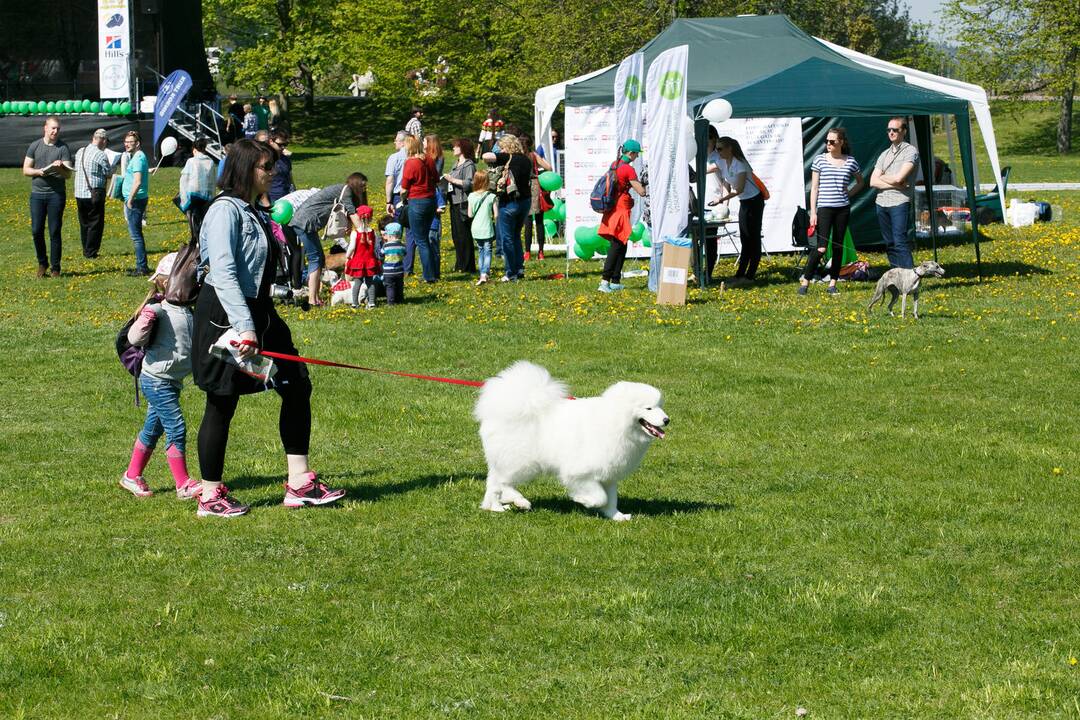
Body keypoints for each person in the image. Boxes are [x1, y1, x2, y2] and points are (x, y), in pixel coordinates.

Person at [192, 138, 345, 517]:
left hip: (260, 313)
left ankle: (300, 483)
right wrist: (245, 327)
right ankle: (210, 495)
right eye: (265, 167)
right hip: (226, 315)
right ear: (245, 169)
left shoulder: (254, 210)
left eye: (273, 165)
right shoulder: (224, 211)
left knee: (295, 382)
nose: (272, 172)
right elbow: (224, 272)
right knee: (221, 400)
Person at [120, 252, 200, 500]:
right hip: (156, 381)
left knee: (152, 430)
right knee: (176, 427)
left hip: (171, 381)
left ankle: (131, 476)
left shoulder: (188, 311)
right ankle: (183, 483)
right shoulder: (158, 310)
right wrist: (146, 319)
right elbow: (133, 339)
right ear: (168, 282)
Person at [799, 127, 865, 296]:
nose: (828, 144)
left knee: (838, 246)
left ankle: (833, 283)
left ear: (841, 142)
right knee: (821, 248)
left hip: (842, 209)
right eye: (826, 141)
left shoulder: (850, 161)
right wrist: (813, 212)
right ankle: (805, 281)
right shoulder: (819, 160)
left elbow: (860, 182)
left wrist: (848, 194)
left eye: (832, 141)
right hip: (824, 209)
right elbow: (814, 188)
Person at [288, 174, 367, 305]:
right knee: (315, 259)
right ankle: (312, 300)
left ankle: (315, 297)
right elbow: (352, 212)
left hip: (305, 223)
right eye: (362, 185)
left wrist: (350, 225)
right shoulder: (346, 190)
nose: (364, 188)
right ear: (355, 183)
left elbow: (348, 212)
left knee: (318, 258)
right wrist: (365, 233)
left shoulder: (344, 191)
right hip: (303, 223)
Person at [711, 136, 764, 287]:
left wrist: (720, 200)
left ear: (730, 149)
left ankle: (750, 276)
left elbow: (739, 189)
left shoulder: (740, 164)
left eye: (720, 148)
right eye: (716, 148)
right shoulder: (722, 162)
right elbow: (724, 181)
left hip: (754, 201)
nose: (717, 151)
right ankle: (740, 274)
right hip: (745, 202)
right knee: (744, 238)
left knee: (753, 238)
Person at [23, 116, 72, 277]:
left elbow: (67, 175)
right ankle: (42, 263)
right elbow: (26, 170)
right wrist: (39, 171)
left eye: (58, 129)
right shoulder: (34, 146)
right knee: (36, 230)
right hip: (37, 195)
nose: (55, 131)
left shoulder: (63, 148)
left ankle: (55, 268)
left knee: (54, 231)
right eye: (52, 128)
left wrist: (60, 168)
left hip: (56, 195)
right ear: (45, 128)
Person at [597, 139, 647, 293]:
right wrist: (645, 182)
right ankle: (604, 282)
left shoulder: (615, 164)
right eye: (636, 154)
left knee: (622, 244)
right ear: (631, 153)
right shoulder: (628, 169)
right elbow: (642, 192)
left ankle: (615, 280)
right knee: (617, 245)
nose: (637, 157)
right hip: (620, 211)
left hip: (612, 208)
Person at [482, 135, 532, 282]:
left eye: (501, 146)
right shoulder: (526, 159)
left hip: (509, 201)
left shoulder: (507, 157)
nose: (500, 149)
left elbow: (486, 156)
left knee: (507, 239)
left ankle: (511, 272)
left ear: (507, 146)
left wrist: (496, 151)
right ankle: (519, 268)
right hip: (525, 201)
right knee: (516, 236)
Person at [871, 116, 919, 268]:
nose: (891, 132)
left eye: (895, 130)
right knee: (889, 243)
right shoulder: (884, 154)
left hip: (899, 203)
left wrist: (884, 177)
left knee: (900, 242)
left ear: (904, 131)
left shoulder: (910, 151)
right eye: (889, 130)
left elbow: (899, 178)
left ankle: (910, 278)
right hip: (881, 203)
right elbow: (873, 182)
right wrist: (897, 184)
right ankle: (896, 276)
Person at [400, 135, 438, 282]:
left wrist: (402, 200)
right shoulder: (428, 159)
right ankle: (433, 272)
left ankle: (429, 276)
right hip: (431, 201)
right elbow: (436, 178)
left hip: (417, 201)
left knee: (420, 240)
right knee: (425, 238)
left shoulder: (410, 163)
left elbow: (404, 188)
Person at [73, 128, 111, 259]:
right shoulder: (101, 155)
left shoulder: (80, 151)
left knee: (84, 223)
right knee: (95, 223)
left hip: (79, 192)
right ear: (103, 140)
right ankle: (91, 252)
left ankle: (86, 248)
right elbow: (108, 173)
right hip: (94, 192)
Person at [442, 137, 476, 273]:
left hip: (463, 202)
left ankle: (468, 265)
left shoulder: (468, 165)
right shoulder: (456, 164)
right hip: (454, 202)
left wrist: (452, 179)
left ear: (462, 148)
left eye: (456, 146)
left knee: (464, 235)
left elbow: (469, 183)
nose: (453, 148)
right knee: (456, 235)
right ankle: (460, 263)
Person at [121, 131, 152, 276]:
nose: (127, 144)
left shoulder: (138, 157)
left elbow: (138, 181)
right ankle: (141, 265)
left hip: (135, 200)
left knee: (136, 235)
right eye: (125, 141)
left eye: (130, 142)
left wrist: (130, 199)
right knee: (136, 233)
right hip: (136, 199)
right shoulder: (137, 156)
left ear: (137, 143)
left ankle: (142, 267)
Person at [178, 136, 217, 243]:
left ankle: (196, 242)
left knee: (194, 221)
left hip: (193, 195)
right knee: (204, 220)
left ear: (194, 149)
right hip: (207, 196)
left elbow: (184, 179)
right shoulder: (211, 162)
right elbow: (213, 180)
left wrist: (183, 198)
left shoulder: (191, 161)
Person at [521, 134, 553, 261]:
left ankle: (527, 252)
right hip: (535, 186)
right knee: (539, 221)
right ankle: (541, 252)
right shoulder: (534, 155)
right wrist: (539, 173)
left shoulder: (519, 157)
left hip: (524, 187)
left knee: (527, 222)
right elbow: (549, 167)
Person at [343, 206, 379, 308]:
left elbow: (351, 247)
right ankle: (372, 302)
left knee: (357, 283)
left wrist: (348, 256)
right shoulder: (373, 232)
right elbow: (376, 246)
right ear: (371, 218)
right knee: (370, 282)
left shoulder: (355, 233)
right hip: (370, 261)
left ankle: (355, 303)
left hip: (358, 262)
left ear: (358, 217)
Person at [468, 170, 498, 285]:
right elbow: (496, 214)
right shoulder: (491, 196)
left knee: (480, 250)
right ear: (487, 181)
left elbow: (470, 214)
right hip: (487, 228)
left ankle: (482, 274)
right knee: (488, 250)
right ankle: (485, 274)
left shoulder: (471, 196)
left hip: (476, 228)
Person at [379, 219, 406, 305]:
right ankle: (400, 299)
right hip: (399, 270)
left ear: (389, 235)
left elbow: (381, 255)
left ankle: (391, 302)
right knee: (399, 285)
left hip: (388, 271)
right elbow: (405, 253)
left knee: (390, 287)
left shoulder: (386, 246)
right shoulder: (402, 245)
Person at [383, 131, 408, 219]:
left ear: (403, 142)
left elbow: (390, 180)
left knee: (396, 228)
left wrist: (388, 202)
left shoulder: (394, 157)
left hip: (398, 196)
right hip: (413, 196)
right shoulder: (416, 156)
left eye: (396, 140)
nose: (394, 142)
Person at [267, 129, 295, 203]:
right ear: (270, 141)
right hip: (270, 200)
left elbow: (290, 179)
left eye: (285, 145)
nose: (283, 147)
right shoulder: (264, 159)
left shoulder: (286, 159)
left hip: (286, 199)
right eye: (280, 145)